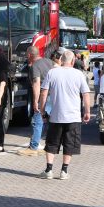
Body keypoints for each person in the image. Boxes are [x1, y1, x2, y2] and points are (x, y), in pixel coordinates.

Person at [37, 48, 91, 180]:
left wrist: (42, 110)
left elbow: (43, 93)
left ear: (61, 60)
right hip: (73, 117)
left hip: (56, 116)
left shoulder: (52, 72)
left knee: (51, 143)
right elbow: (86, 94)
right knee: (69, 143)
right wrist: (87, 112)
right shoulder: (79, 74)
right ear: (73, 61)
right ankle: (64, 171)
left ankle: (49, 170)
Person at [17, 45, 54, 156]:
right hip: (54, 95)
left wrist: (35, 102)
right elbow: (58, 68)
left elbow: (37, 83)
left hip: (44, 96)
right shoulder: (49, 62)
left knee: (37, 120)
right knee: (52, 121)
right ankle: (50, 146)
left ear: (29, 55)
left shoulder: (35, 66)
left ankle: (33, 147)